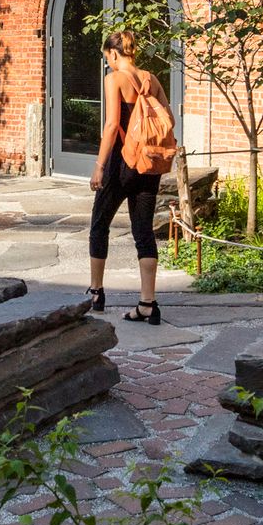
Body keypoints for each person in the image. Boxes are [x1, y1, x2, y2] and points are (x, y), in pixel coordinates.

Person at [87, 30, 169, 324]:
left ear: (113, 53)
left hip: (120, 163)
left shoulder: (114, 79)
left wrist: (99, 165)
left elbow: (111, 126)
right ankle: (148, 303)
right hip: (148, 164)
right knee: (143, 232)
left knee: (99, 225)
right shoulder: (152, 80)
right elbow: (168, 119)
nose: (108, 63)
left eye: (107, 57)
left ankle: (96, 293)